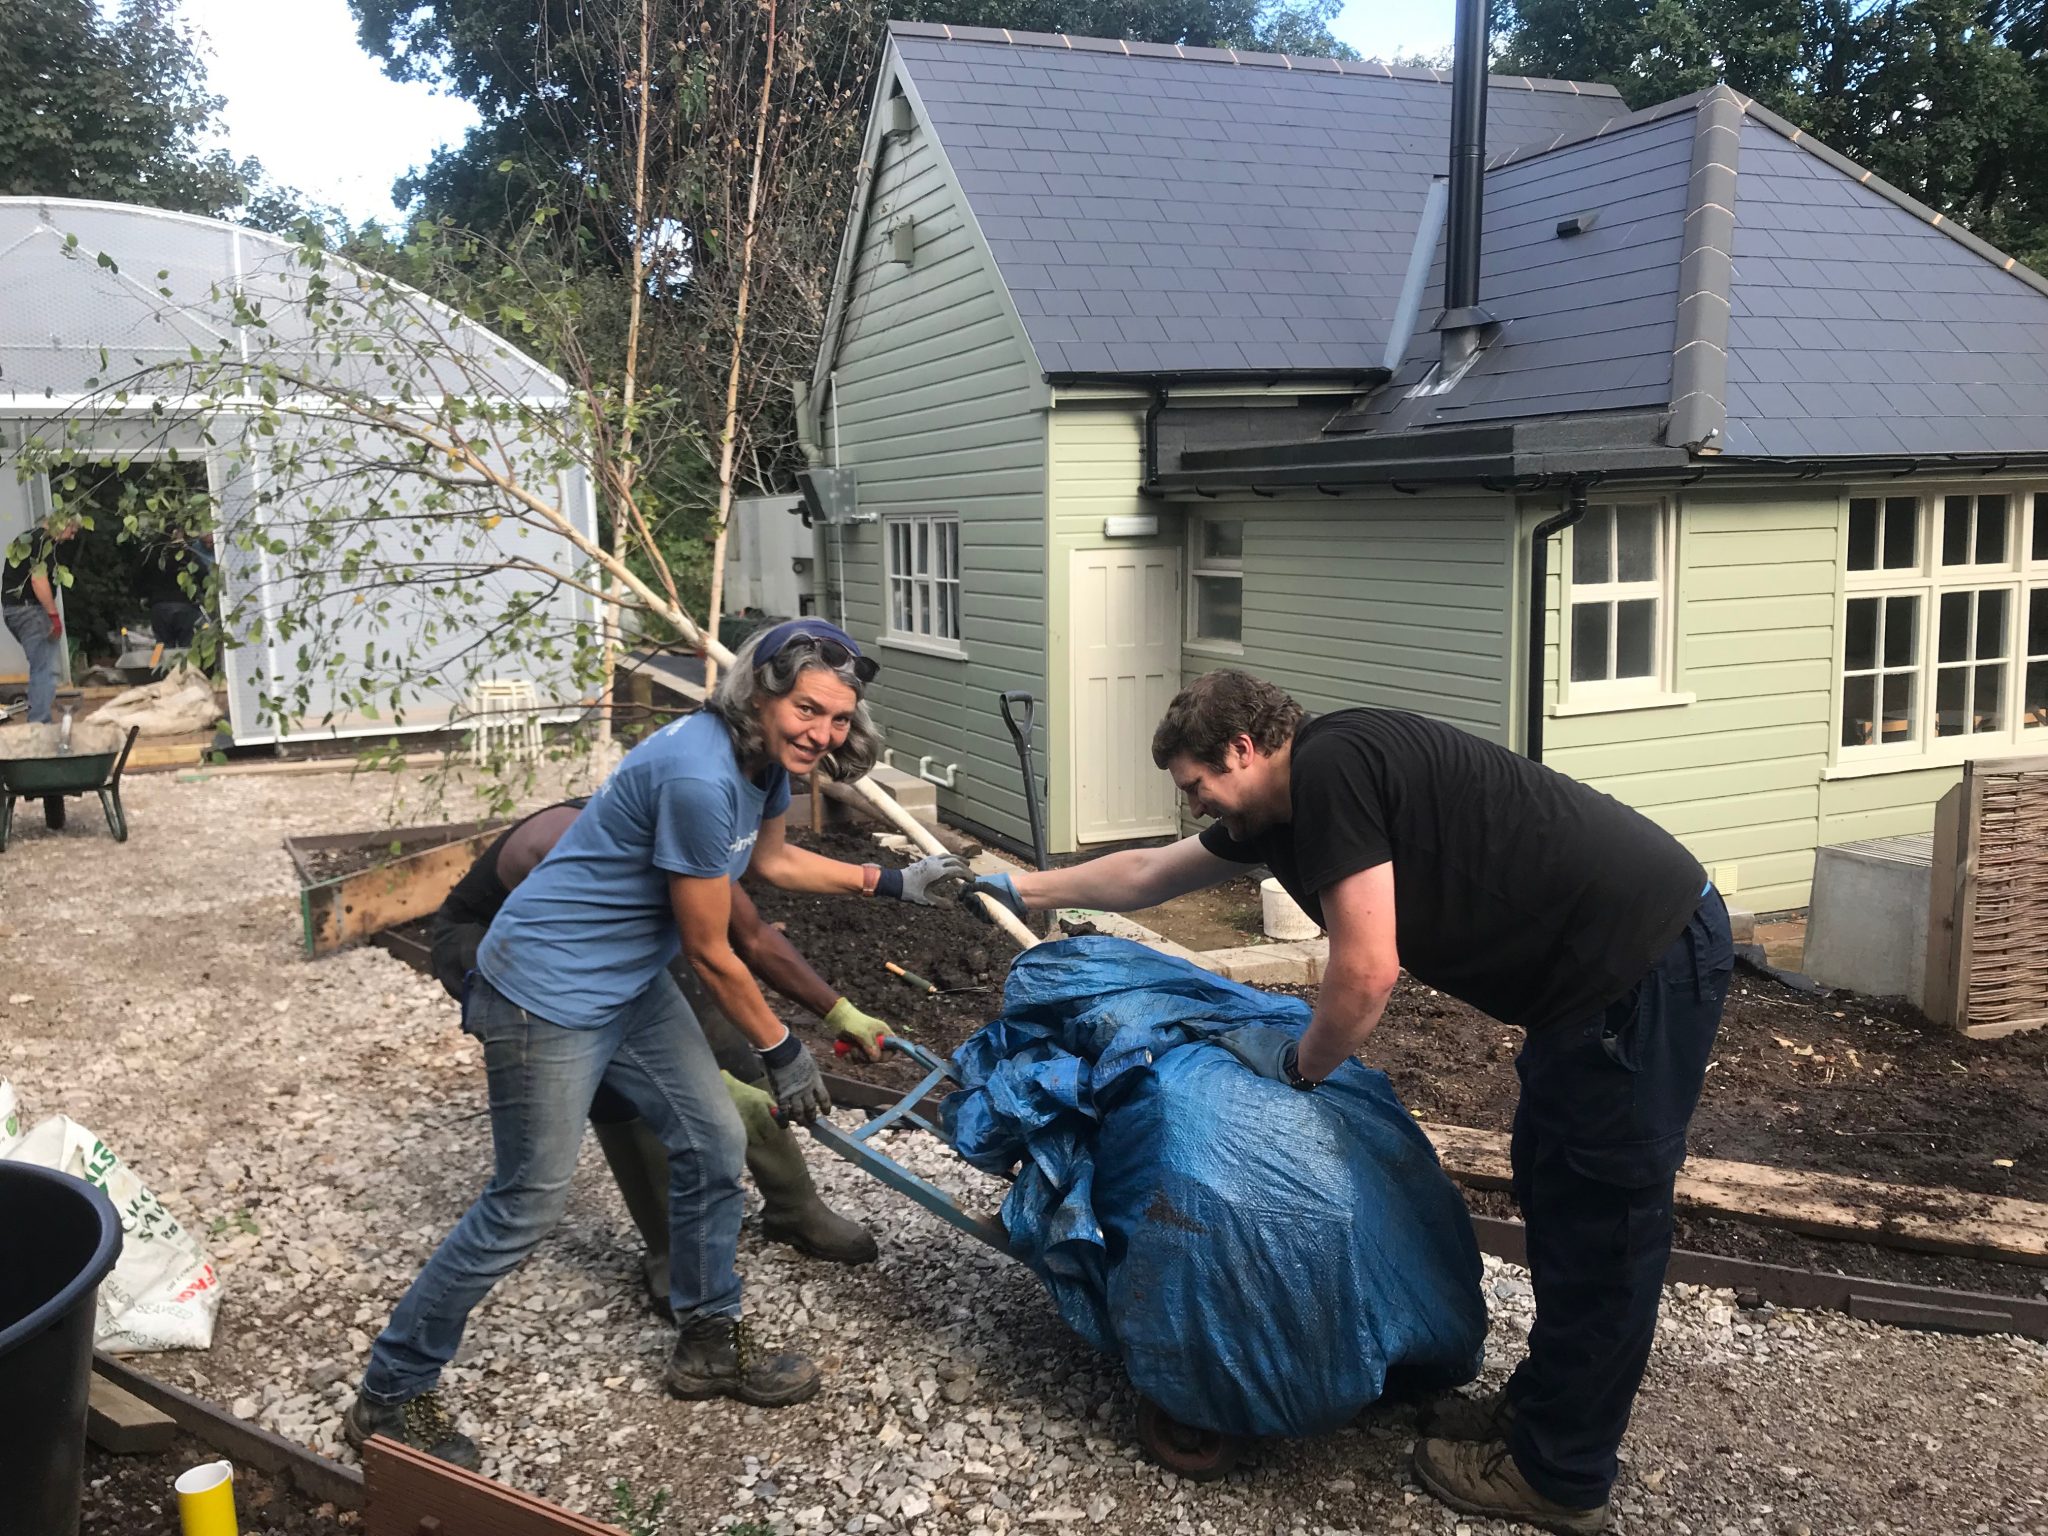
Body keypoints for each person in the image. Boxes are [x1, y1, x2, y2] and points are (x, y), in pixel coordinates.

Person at [957, 670, 1730, 1536]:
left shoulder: (1332, 773)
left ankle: (1561, 1476)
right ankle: (1540, 1418)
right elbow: (1146, 873)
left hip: (1639, 968)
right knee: (1554, 1189)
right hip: (1587, 992)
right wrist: (1020, 887)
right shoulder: (1287, 802)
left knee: (1601, 1225)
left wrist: (1299, 1065)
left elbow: (1366, 971)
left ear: (1242, 749)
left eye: (1197, 784)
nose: (1194, 805)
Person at [346, 621, 969, 1468]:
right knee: (526, 1202)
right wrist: (783, 1050)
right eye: (807, 709)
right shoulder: (699, 775)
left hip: (628, 982)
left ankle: (708, 1340)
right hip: (543, 992)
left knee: (712, 1142)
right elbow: (712, 951)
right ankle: (391, 1392)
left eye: (836, 718)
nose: (822, 733)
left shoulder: (760, 762)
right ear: (761, 692)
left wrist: (892, 880)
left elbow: (773, 866)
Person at [428, 795, 889, 1295]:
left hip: (605, 936)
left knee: (723, 1034)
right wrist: (712, 1088)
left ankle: (794, 1208)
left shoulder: (688, 836)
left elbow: (752, 936)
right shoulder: (582, 853)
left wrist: (840, 1012)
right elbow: (598, 997)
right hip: (503, 949)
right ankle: (668, 1253)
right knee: (612, 1080)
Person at [3, 520, 79, 723]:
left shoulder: (27, 539)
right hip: (30, 611)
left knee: (40, 665)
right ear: (62, 523)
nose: (72, 536)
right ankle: (39, 723)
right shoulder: (40, 542)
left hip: (14, 610)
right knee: (44, 668)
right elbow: (38, 581)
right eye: (72, 531)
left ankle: (38, 719)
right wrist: (54, 616)